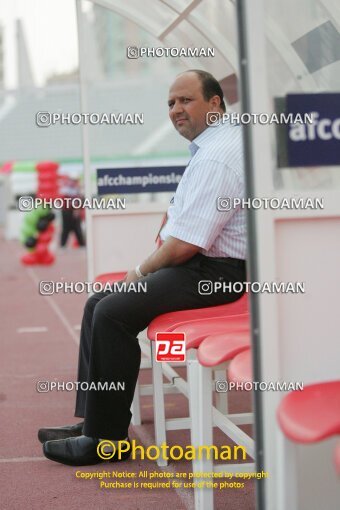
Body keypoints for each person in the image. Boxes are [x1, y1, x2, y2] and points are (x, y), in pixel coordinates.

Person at [39, 69, 247, 466]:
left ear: (216, 103)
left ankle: (107, 440)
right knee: (98, 301)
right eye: (170, 103)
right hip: (206, 267)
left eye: (186, 100)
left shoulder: (219, 155)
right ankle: (94, 423)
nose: (176, 109)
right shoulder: (216, 145)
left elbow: (185, 245)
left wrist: (139, 271)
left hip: (216, 275)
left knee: (112, 311)